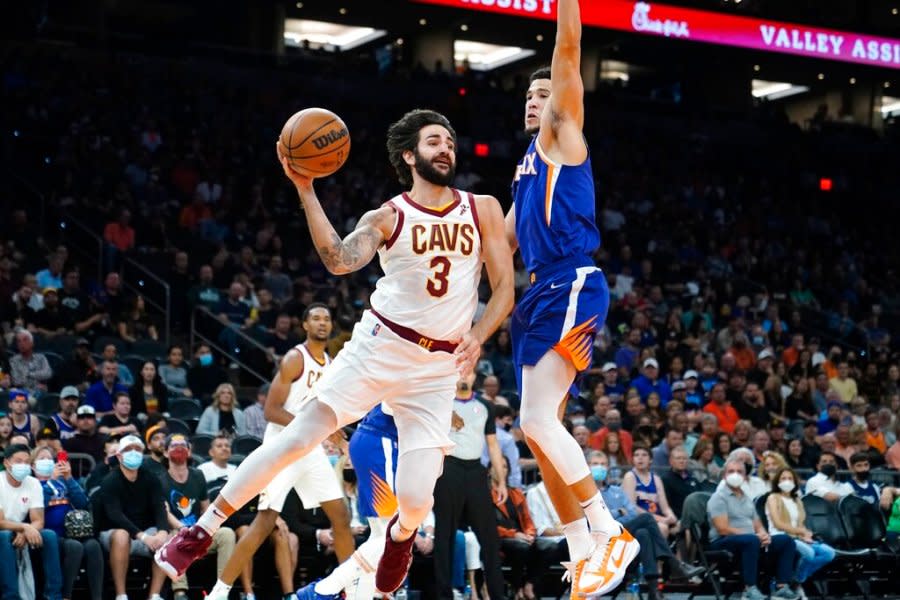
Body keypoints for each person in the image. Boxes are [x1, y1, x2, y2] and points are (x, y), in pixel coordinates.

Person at [155, 108, 514, 598]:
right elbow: (339, 260)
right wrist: (306, 189)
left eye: (449, 140)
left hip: (436, 368)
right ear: (410, 155)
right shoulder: (388, 216)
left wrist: (480, 332)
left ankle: (401, 539)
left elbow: (504, 289)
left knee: (414, 499)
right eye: (433, 141)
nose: (445, 148)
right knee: (298, 437)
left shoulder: (484, 208)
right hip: (379, 346)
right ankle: (199, 531)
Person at [504, 1, 639, 594]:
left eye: (543, 93)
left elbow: (566, 52)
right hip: (539, 293)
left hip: (571, 279)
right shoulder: (525, 166)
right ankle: (582, 545)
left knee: (535, 418)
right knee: (538, 428)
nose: (537, 100)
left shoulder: (563, 136)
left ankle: (609, 530)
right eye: (529, 97)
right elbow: (499, 243)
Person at [207, 304, 353, 600]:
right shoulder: (294, 358)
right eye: (316, 318)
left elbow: (322, 409)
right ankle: (219, 592)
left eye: (327, 319)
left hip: (310, 449)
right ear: (305, 325)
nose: (322, 323)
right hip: (282, 448)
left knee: (340, 516)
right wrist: (312, 427)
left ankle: (352, 589)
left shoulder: (331, 362)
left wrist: (333, 432)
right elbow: (272, 411)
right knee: (265, 522)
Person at [296, 403, 399, 600]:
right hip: (381, 445)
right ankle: (323, 589)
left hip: (372, 444)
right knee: (391, 537)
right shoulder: (419, 379)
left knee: (379, 537)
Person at [432, 374, 507, 600]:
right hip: (448, 469)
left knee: (490, 537)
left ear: (475, 377)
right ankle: (443, 594)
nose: (465, 376)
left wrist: (501, 480)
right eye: (460, 372)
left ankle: (497, 594)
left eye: (469, 372)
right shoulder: (441, 402)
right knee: (444, 535)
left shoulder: (485, 406)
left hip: (476, 471)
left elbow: (493, 446)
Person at [589, 451, 702, 600]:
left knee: (643, 532)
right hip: (601, 538)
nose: (600, 467)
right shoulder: (586, 493)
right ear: (588, 467)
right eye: (595, 464)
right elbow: (595, 519)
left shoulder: (617, 491)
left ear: (608, 466)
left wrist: (615, 515)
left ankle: (653, 589)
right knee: (647, 518)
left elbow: (631, 513)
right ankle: (674, 564)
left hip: (622, 537)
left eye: (603, 464)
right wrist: (618, 512)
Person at [707, 458, 798, 600]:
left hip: (750, 540)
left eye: (739, 472)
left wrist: (764, 535)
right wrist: (755, 536)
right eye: (731, 471)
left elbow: (758, 524)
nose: (735, 475)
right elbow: (722, 528)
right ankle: (750, 587)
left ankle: (782, 586)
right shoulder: (718, 498)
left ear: (744, 476)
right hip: (722, 541)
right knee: (751, 540)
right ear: (724, 476)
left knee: (785, 540)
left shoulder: (746, 499)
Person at [95, 435, 170, 600]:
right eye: (129, 450)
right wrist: (143, 536)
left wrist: (163, 531)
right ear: (119, 455)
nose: (134, 452)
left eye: (137, 449)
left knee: (167, 537)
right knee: (122, 535)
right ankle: (121, 595)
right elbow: (115, 515)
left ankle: (155, 595)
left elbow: (160, 506)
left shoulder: (151, 478)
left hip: (144, 531)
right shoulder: (110, 481)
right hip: (113, 532)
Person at [162, 434, 236, 600]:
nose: (179, 448)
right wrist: (183, 529)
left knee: (227, 534)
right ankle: (180, 592)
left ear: (189, 452)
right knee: (174, 535)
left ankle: (221, 591)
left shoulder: (198, 475)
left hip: (198, 532)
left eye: (183, 445)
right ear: (166, 453)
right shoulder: (160, 479)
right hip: (176, 532)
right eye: (174, 446)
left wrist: (203, 528)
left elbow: (205, 508)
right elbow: (164, 512)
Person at [31, 446, 104, 600]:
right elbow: (38, 507)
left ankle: (97, 596)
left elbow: (82, 503)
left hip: (74, 531)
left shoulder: (63, 482)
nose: (47, 461)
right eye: (42, 459)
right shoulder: (32, 485)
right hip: (49, 534)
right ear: (33, 465)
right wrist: (50, 481)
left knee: (93, 545)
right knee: (74, 547)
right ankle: (66, 596)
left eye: (50, 459)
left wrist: (69, 478)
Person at [0, 444, 63, 600]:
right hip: (4, 530)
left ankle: (53, 595)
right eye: (18, 461)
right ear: (7, 462)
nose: (23, 465)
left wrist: (25, 530)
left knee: (49, 535)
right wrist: (24, 527)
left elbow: (38, 521)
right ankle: (11, 596)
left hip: (19, 528)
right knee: (4, 536)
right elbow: (0, 522)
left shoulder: (33, 483)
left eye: (27, 462)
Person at [765, 467, 835, 595]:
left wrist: (806, 534)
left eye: (790, 478)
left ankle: (796, 580)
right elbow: (778, 523)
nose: (787, 481)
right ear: (777, 481)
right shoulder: (773, 498)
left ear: (795, 482)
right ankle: (790, 583)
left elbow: (800, 524)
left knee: (828, 553)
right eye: (783, 478)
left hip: (797, 537)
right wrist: (800, 532)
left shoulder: (797, 500)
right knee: (808, 553)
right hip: (780, 537)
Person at [622, 445, 678, 537]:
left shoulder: (656, 479)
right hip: (638, 519)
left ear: (651, 460)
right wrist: (660, 519)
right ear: (632, 460)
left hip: (657, 518)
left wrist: (671, 517)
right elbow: (632, 507)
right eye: (636, 455)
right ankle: (662, 551)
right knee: (662, 527)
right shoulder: (630, 476)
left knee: (680, 526)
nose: (640, 458)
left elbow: (665, 507)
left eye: (644, 455)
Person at [660, 445, 700, 518]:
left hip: (696, 516)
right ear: (671, 461)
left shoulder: (693, 478)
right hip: (678, 519)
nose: (681, 461)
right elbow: (666, 506)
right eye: (678, 458)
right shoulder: (665, 480)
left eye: (684, 458)